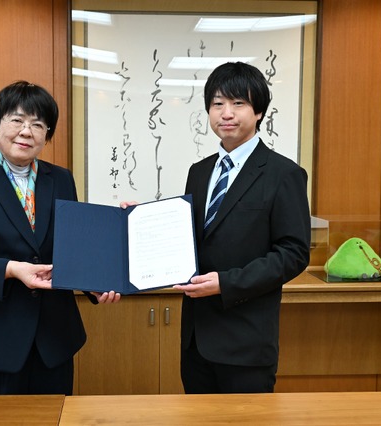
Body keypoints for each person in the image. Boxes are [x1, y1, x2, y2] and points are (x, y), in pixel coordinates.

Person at [125, 61, 311, 393]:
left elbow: (293, 254)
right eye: (217, 103)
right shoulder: (199, 171)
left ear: (258, 112)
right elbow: (190, 235)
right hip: (196, 340)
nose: (226, 113)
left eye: (238, 103)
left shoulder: (283, 174)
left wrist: (227, 283)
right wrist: (142, 221)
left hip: (246, 342)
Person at [0, 80, 120, 396]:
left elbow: (70, 249)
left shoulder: (60, 179)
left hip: (53, 340)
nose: (26, 131)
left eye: (38, 124)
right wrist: (11, 269)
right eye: (16, 120)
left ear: (47, 135)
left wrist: (94, 280)